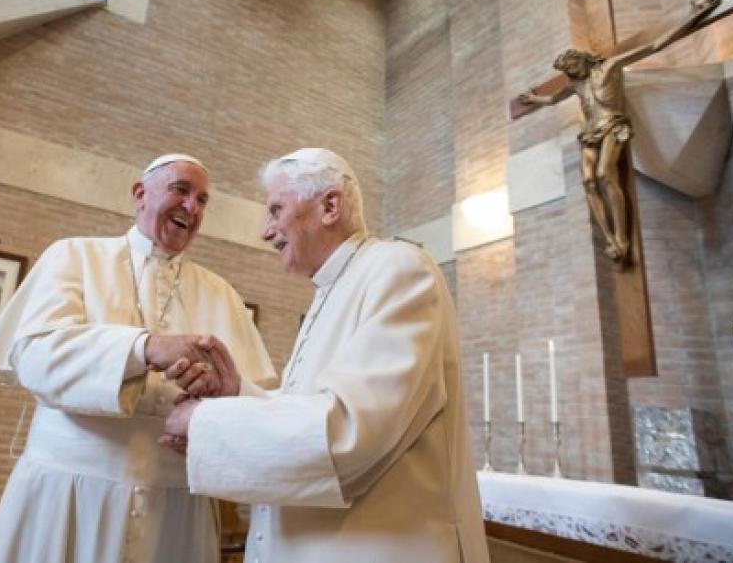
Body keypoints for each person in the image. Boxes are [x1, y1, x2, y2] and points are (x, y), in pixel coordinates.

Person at [161, 148, 489, 563]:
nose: (266, 232)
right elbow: (313, 408)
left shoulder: (399, 269)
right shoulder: (331, 290)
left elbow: (351, 432)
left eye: (276, 210)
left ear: (330, 206)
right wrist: (237, 392)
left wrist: (204, 421)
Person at [0, 153, 276, 563]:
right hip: (68, 493)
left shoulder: (223, 294)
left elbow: (253, 400)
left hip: (176, 508)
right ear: (139, 193)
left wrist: (211, 416)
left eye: (203, 200)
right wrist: (144, 347)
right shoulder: (74, 256)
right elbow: (36, 357)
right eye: (181, 190)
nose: (192, 207)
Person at [517, 0, 722, 262]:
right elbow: (554, 98)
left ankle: (622, 238)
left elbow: (655, 45)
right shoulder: (576, 84)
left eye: (573, 68)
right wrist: (535, 99)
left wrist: (694, 16)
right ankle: (610, 239)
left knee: (605, 174)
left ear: (582, 60)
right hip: (590, 133)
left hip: (612, 124)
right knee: (588, 181)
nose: (572, 74)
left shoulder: (611, 66)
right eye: (568, 72)